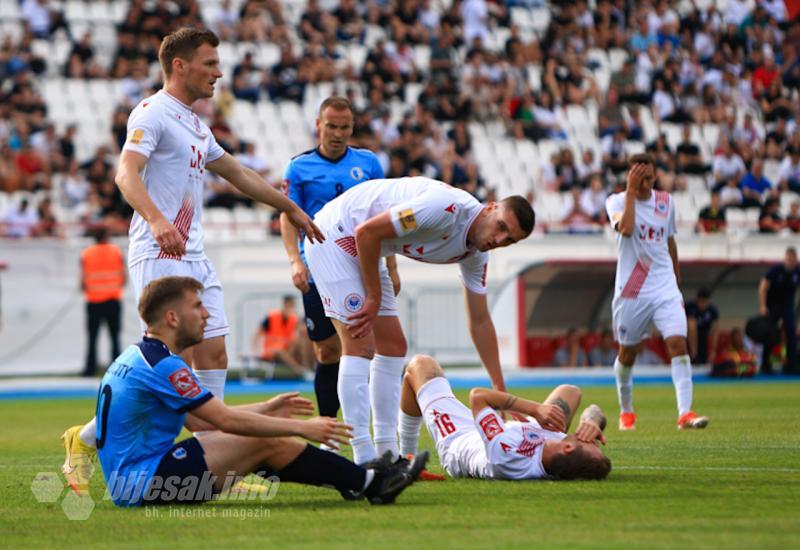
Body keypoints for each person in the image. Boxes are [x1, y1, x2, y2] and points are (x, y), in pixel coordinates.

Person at [62, 27, 324, 491]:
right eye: (209, 63)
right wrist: (158, 220)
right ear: (179, 65)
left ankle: (220, 457)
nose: (219, 72)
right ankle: (83, 440)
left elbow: (239, 173)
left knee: (215, 352)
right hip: (159, 251)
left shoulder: (197, 125)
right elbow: (126, 172)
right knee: (164, 364)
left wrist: (289, 208)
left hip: (195, 256)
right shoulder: (152, 112)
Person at [87, 276, 428, 506]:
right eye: (197, 306)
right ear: (173, 318)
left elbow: (202, 421)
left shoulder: (140, 355)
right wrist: (301, 427)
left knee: (268, 444)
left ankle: (363, 480)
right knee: (266, 441)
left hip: (134, 480)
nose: (206, 315)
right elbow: (222, 420)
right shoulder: (163, 365)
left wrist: (267, 407)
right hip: (143, 484)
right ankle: (370, 482)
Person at [304, 176, 535, 465]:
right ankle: (363, 459)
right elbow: (366, 232)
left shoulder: (477, 255)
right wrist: (374, 297)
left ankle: (388, 455)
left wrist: (501, 392)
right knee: (359, 343)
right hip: (334, 235)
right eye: (501, 227)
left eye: (510, 240)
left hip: (368, 246)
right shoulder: (445, 208)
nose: (499, 240)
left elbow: (479, 320)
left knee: (393, 346)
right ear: (489, 208)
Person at [280, 96, 386, 428]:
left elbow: (383, 216)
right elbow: (288, 216)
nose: (338, 134)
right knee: (327, 352)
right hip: (319, 269)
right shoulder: (298, 167)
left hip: (361, 266)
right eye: (331, 126)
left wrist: (391, 267)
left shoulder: (369, 164)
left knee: (365, 348)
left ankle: (367, 429)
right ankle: (327, 425)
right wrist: (295, 261)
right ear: (318, 125)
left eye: (345, 127)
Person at [605, 154, 709, 431]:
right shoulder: (616, 201)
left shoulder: (666, 202)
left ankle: (684, 413)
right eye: (640, 178)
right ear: (630, 177)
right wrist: (629, 191)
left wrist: (676, 278)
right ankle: (626, 411)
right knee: (628, 353)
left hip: (663, 284)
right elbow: (625, 229)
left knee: (678, 343)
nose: (645, 184)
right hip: (633, 287)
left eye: (649, 178)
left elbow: (669, 240)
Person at [397, 354, 611, 481]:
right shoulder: (557, 449)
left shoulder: (507, 454)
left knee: (420, 366)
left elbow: (478, 396)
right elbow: (574, 394)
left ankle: (406, 462)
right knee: (569, 391)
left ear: (568, 448)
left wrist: (534, 409)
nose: (585, 437)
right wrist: (592, 421)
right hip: (504, 428)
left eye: (585, 440)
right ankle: (407, 462)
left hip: (460, 437)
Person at [80, 227, 125, 377]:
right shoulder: (116, 251)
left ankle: (90, 369)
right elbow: (123, 278)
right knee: (115, 337)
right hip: (113, 300)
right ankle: (117, 371)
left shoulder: (86, 253)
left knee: (92, 338)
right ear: (106, 236)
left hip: (93, 301)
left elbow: (82, 281)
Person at [758, 247, 800, 374]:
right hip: (773, 306)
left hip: (788, 307)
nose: (791, 261)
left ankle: (791, 365)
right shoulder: (776, 270)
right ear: (785, 258)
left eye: (793, 259)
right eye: (789, 258)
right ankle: (765, 364)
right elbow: (763, 287)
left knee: (791, 334)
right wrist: (762, 306)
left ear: (796, 259)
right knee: (770, 334)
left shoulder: (797, 272)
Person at [251, 295, 309, 377]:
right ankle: (300, 371)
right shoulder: (272, 316)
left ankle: (310, 367)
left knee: (303, 342)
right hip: (272, 350)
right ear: (284, 305)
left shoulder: (294, 319)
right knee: (280, 351)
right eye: (289, 306)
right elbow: (257, 333)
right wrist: (255, 350)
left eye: (292, 306)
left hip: (287, 349)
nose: (290, 308)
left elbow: (303, 332)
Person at [685, 288, 720, 365]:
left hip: (703, 337)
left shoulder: (712, 310)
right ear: (697, 300)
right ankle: (694, 354)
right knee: (691, 323)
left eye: (705, 302)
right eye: (701, 302)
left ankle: (702, 355)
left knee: (716, 327)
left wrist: (713, 350)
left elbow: (716, 329)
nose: (703, 305)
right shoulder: (689, 307)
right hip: (687, 338)